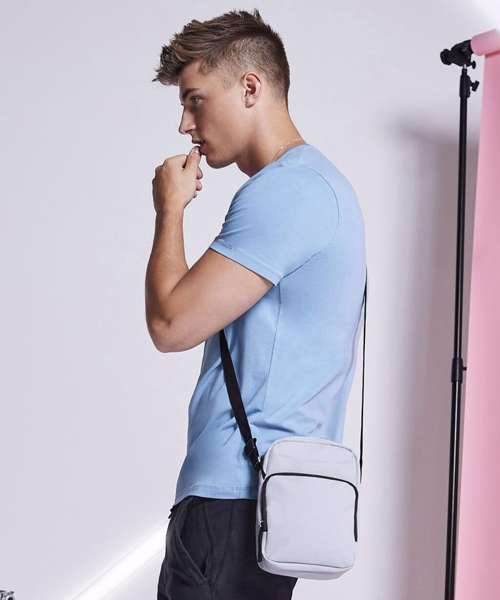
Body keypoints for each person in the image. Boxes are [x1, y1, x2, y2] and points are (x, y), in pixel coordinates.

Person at [146, 8, 366, 600]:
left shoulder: (288, 192)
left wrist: (170, 210)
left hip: (234, 500)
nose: (185, 124)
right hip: (269, 499)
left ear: (250, 88)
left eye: (195, 101)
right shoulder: (318, 186)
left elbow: (170, 324)